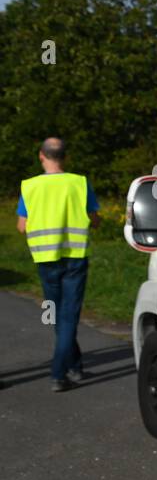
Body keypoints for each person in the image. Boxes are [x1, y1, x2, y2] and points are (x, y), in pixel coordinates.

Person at [16, 137, 101, 391]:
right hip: (74, 258)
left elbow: (22, 227)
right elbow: (94, 220)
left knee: (56, 314)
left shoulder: (29, 187)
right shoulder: (80, 183)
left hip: (46, 260)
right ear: (65, 157)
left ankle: (70, 367)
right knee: (68, 316)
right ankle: (61, 371)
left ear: (41, 155)